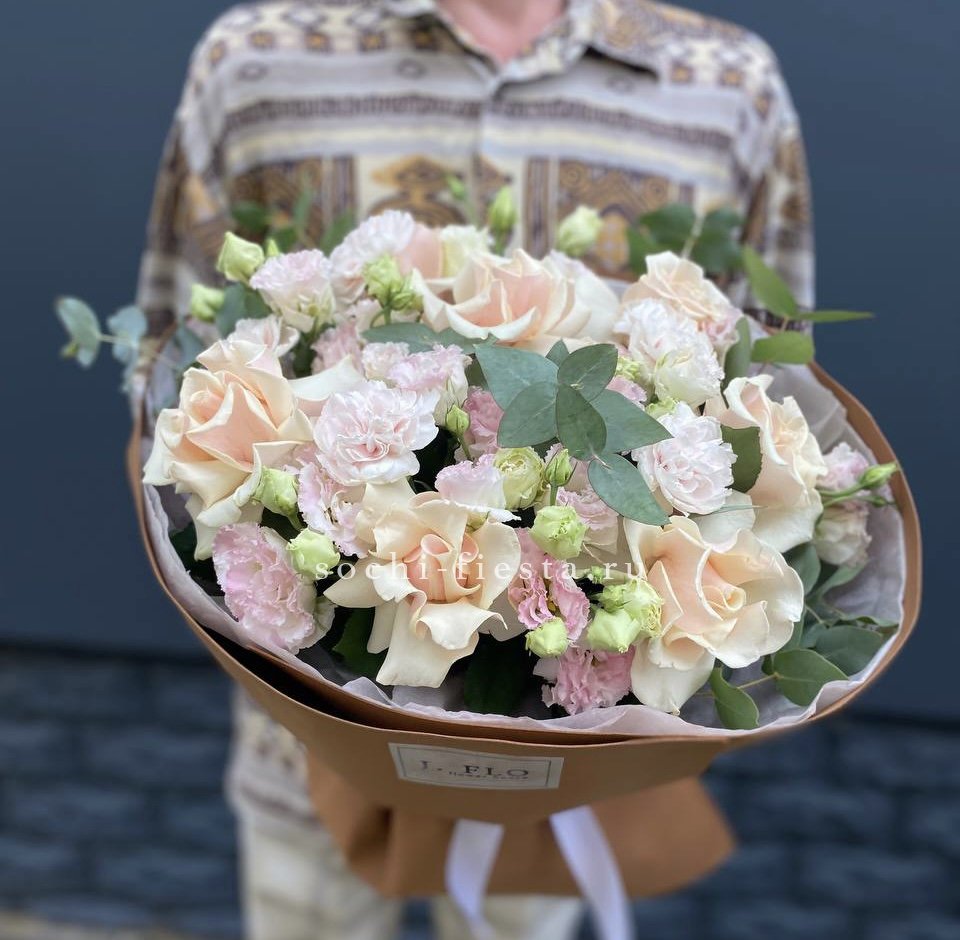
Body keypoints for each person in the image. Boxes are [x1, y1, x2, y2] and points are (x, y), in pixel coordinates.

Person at [136, 1, 814, 937]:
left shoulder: (725, 87)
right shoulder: (257, 63)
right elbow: (177, 369)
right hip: (306, 749)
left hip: (563, 766)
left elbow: (765, 389)